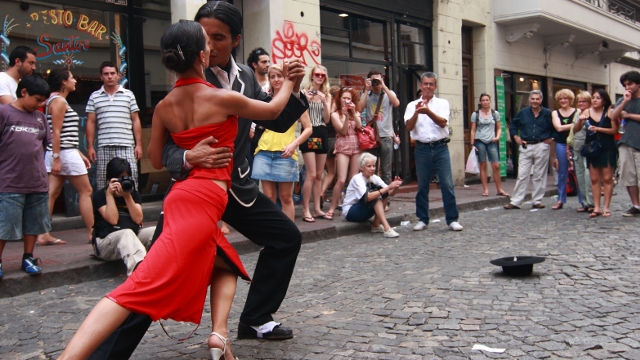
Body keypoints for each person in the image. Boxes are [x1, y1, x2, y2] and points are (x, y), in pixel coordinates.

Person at [60, 19, 299, 360]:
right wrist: (289, 81)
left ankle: (220, 337)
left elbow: (155, 158)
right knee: (136, 288)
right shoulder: (221, 98)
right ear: (202, 56)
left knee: (225, 263)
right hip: (203, 201)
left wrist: (187, 154)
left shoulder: (164, 106)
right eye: (208, 42)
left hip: (184, 198)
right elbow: (274, 110)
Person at [0, 74, 51, 280]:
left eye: (43, 101)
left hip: (37, 181)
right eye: (37, 99)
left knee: (34, 223)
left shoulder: (39, 118)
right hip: (9, 180)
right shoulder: (4, 112)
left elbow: (44, 143)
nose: (40, 104)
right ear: (23, 93)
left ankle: (28, 256)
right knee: (5, 224)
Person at [37, 68, 93, 246]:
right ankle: (93, 232)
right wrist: (58, 158)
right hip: (63, 153)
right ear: (63, 82)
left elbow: (60, 134)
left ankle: (43, 233)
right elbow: (57, 132)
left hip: (62, 152)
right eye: (71, 78)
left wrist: (75, 153)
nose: (75, 81)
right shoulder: (59, 101)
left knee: (51, 193)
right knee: (86, 191)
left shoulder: (52, 100)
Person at [404, 72, 463, 231]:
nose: (428, 87)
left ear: (435, 86)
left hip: (440, 147)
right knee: (422, 185)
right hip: (422, 148)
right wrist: (417, 112)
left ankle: (452, 219)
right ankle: (423, 219)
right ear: (421, 86)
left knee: (447, 184)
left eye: (431, 84)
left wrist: (428, 111)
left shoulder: (442, 103)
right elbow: (409, 127)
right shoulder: (412, 105)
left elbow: (443, 123)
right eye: (425, 84)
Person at [252, 64, 312, 221]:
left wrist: (294, 144)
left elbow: (308, 128)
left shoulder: (293, 100)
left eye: (280, 76)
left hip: (285, 152)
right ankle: (271, 238)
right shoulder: (265, 99)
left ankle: (288, 240)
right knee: (269, 199)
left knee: (286, 198)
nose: (276, 79)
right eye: (273, 77)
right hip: (263, 151)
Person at [91, 158, 155, 276]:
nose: (121, 183)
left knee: (154, 231)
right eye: (118, 178)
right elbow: (113, 220)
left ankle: (161, 268)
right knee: (126, 233)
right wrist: (109, 195)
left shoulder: (133, 194)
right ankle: (140, 274)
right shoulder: (100, 195)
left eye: (125, 178)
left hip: (130, 238)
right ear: (110, 179)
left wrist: (127, 196)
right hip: (105, 244)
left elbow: (138, 219)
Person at [85, 61, 142, 190]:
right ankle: (105, 210)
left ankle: (131, 209)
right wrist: (90, 147)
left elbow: (135, 120)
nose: (109, 76)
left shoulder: (129, 95)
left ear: (118, 75)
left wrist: (139, 145)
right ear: (101, 76)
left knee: (131, 180)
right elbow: (91, 122)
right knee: (103, 182)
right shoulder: (94, 96)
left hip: (127, 144)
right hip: (104, 145)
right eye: (106, 74)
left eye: (112, 73)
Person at [503, 90, 554, 210]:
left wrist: (552, 138)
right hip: (526, 146)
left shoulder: (547, 113)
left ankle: (537, 200)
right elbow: (514, 125)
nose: (535, 101)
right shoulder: (523, 112)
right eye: (533, 99)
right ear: (529, 99)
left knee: (539, 175)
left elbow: (555, 127)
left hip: (541, 145)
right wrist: (515, 136)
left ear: (541, 100)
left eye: (537, 99)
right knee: (522, 174)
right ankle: (515, 201)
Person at [574, 89, 618, 217]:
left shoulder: (610, 112)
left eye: (598, 98)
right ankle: (596, 207)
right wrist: (580, 120)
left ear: (604, 100)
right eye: (593, 98)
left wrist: (598, 129)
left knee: (607, 178)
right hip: (592, 148)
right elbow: (576, 130)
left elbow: (614, 130)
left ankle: (606, 208)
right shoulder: (586, 112)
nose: (594, 100)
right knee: (594, 179)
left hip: (607, 147)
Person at [356, 70, 401, 185]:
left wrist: (384, 86)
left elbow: (396, 103)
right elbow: (359, 109)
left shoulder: (388, 93)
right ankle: (374, 197)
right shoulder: (367, 95)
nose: (376, 83)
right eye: (373, 80)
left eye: (378, 79)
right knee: (371, 170)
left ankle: (387, 200)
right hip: (372, 137)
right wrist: (366, 90)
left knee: (386, 171)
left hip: (386, 136)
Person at [342, 152, 402, 237]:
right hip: (350, 211)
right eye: (369, 166)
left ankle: (376, 225)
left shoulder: (375, 178)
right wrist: (388, 188)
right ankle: (387, 228)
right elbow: (368, 197)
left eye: (374, 166)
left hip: (363, 209)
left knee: (383, 194)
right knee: (376, 197)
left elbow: (389, 193)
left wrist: (395, 187)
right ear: (361, 168)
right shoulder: (357, 179)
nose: (372, 168)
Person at [325, 87, 363, 220]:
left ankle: (349, 205)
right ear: (339, 99)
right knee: (341, 179)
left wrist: (353, 113)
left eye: (349, 98)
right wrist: (346, 116)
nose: (347, 100)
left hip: (356, 145)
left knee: (353, 178)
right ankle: (332, 207)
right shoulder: (335, 114)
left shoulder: (356, 111)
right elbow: (344, 131)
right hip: (343, 145)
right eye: (344, 98)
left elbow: (360, 127)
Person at [301, 65, 332, 220]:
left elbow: (327, 119)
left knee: (319, 174)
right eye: (317, 74)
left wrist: (325, 102)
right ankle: (306, 209)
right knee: (311, 174)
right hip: (309, 131)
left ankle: (317, 208)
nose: (320, 77)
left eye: (322, 75)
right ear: (312, 75)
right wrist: (305, 101)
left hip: (321, 131)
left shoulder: (327, 94)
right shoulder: (304, 92)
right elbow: (300, 116)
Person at [610, 70, 640, 217]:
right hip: (626, 142)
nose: (627, 87)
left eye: (630, 84)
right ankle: (636, 205)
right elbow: (613, 116)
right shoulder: (623, 100)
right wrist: (625, 102)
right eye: (625, 85)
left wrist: (629, 115)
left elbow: (626, 116)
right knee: (629, 176)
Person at [469, 93, 508, 197]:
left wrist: (498, 137)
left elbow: (499, 128)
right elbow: (472, 130)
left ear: (490, 101)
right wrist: (472, 144)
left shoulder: (495, 114)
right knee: (483, 165)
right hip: (479, 140)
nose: (485, 102)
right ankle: (485, 189)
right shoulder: (475, 114)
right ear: (480, 102)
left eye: (487, 100)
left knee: (496, 165)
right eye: (483, 100)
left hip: (491, 141)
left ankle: (499, 189)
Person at [551, 89, 578, 210]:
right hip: (561, 143)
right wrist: (575, 124)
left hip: (576, 144)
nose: (563, 101)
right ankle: (560, 199)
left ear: (570, 100)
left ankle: (583, 200)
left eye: (565, 98)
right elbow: (559, 128)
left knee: (579, 172)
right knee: (562, 172)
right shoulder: (555, 113)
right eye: (561, 99)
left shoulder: (577, 112)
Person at [569, 91, 594, 212]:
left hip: (588, 148)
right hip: (577, 147)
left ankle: (592, 202)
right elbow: (573, 130)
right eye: (579, 101)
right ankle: (585, 202)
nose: (581, 103)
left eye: (584, 101)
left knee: (588, 175)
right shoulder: (577, 114)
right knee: (579, 175)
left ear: (589, 103)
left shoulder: (591, 113)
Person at [320, 85, 341, 207]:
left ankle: (321, 192)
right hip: (335, 140)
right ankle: (336, 200)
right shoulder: (335, 107)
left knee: (330, 172)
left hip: (325, 140)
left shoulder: (324, 105)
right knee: (337, 174)